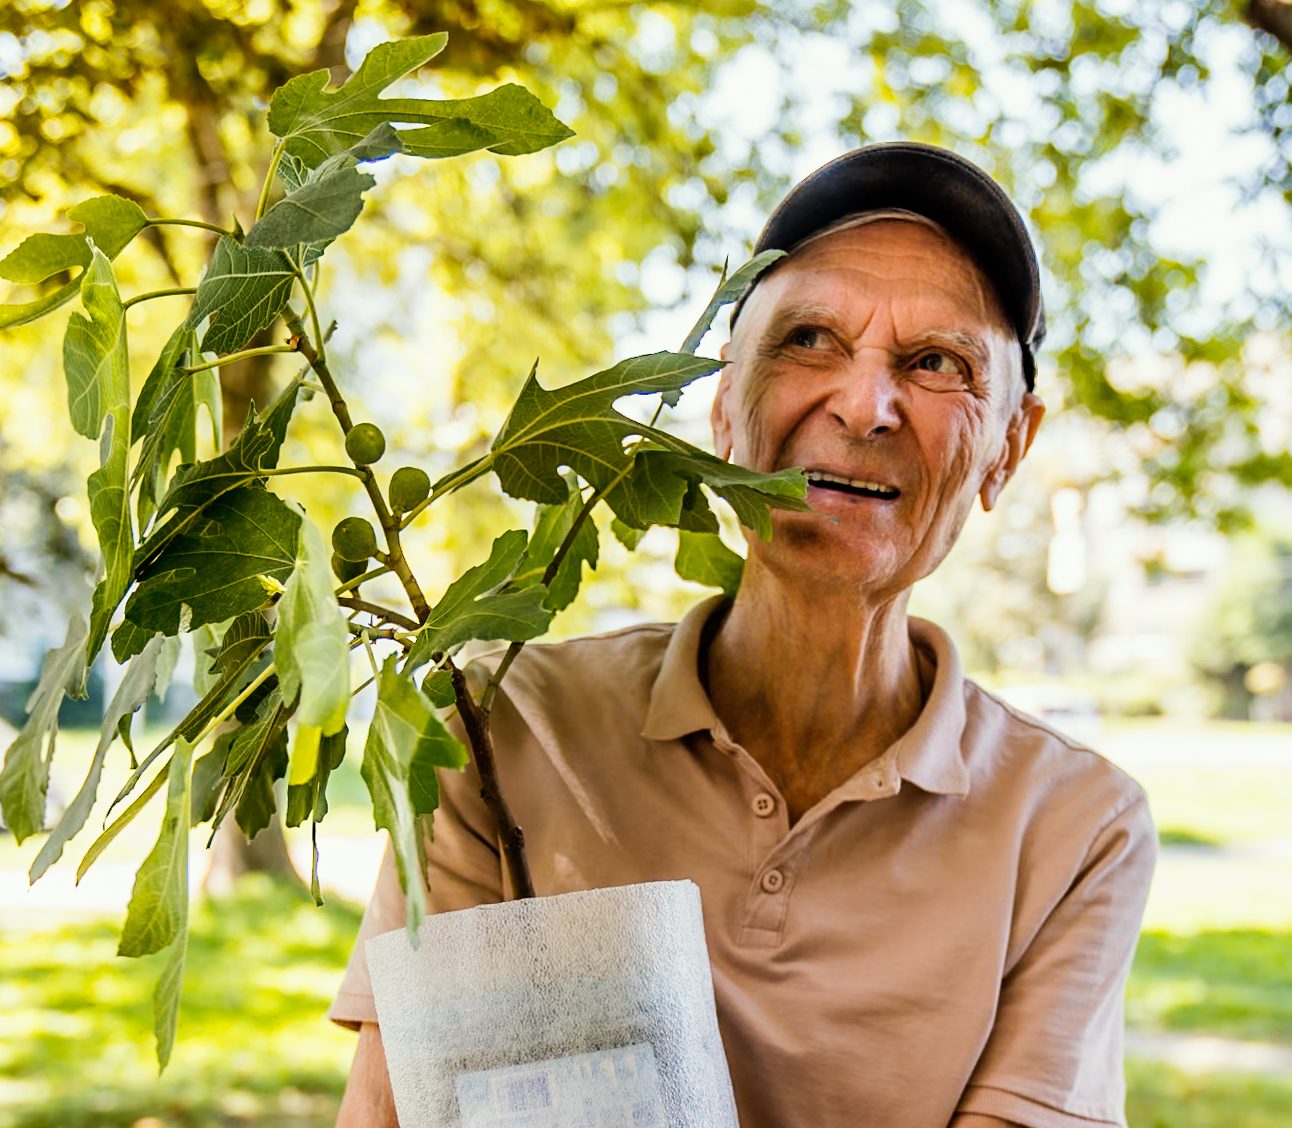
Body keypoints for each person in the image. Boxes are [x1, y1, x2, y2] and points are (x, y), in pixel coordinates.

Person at [330, 143, 1157, 1128]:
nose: (864, 405)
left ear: (1008, 448)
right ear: (724, 406)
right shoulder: (499, 728)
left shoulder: (1073, 829)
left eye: (936, 362)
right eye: (808, 339)